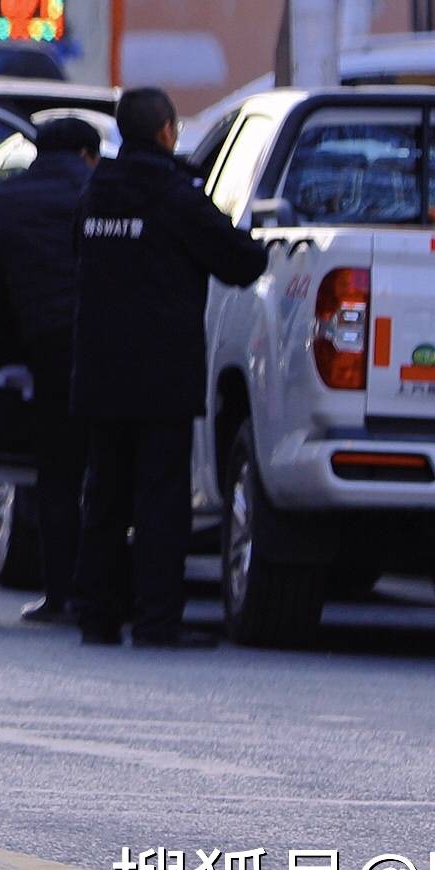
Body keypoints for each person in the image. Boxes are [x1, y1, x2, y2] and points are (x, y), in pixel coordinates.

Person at [71, 87, 269, 649]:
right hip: (159, 376)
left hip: (100, 372)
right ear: (166, 132)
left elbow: (75, 258)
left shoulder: (95, 192)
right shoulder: (173, 194)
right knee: (159, 499)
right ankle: (157, 619)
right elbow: (241, 261)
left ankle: (98, 616)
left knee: (104, 494)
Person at [0, 114, 100, 624]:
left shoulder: (3, 201)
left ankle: (59, 593)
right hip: (110, 348)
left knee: (57, 476)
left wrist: (3, 355)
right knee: (112, 473)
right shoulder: (102, 193)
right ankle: (108, 593)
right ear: (89, 154)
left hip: (45, 350)